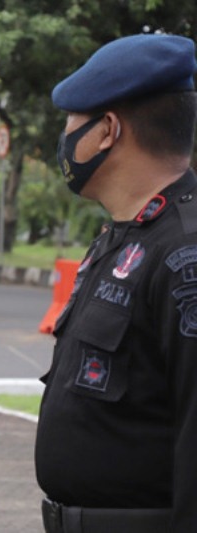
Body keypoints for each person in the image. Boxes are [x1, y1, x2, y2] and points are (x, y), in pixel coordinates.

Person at [35, 34, 197, 533]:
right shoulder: (123, 236)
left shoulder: (184, 253)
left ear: (107, 130)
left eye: (71, 123)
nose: (64, 140)